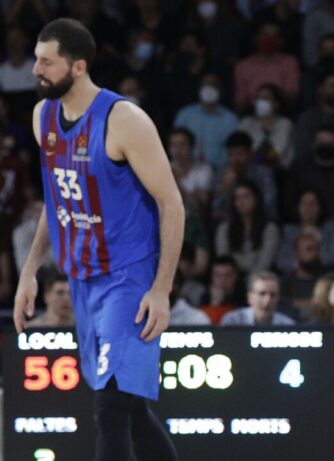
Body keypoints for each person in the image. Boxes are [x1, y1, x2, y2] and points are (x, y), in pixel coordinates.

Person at [13, 19, 182, 461]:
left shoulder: (124, 120)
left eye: (47, 62)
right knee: (130, 409)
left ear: (79, 66)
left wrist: (161, 289)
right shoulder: (43, 116)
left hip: (128, 276)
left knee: (109, 408)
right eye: (36, 59)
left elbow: (171, 203)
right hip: (82, 278)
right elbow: (56, 201)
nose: (36, 70)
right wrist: (29, 272)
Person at [214, 181, 280, 273]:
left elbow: (264, 264)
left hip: (259, 277)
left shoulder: (270, 229)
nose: (241, 202)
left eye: (246, 197)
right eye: (237, 198)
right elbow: (224, 260)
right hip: (231, 277)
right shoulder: (225, 228)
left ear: (256, 199)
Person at [220, 271, 296, 326]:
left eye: (273, 295)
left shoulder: (288, 326)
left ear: (278, 298)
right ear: (250, 297)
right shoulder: (232, 321)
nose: (268, 300)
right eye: (262, 294)